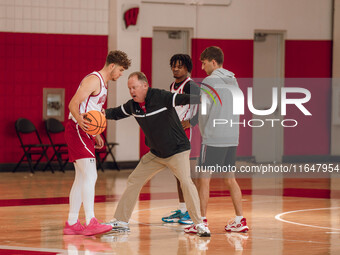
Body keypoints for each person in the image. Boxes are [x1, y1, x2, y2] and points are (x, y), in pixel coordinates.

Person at [104, 71, 210, 237]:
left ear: (145, 86)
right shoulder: (133, 106)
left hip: (177, 150)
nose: (131, 91)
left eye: (134, 87)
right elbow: (115, 113)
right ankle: (121, 221)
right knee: (134, 180)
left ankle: (200, 225)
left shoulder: (161, 97)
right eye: (129, 88)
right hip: (156, 154)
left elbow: (185, 98)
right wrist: (98, 114)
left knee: (186, 182)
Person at [63, 50, 131, 236]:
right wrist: (81, 121)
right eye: (121, 70)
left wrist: (98, 132)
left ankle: (72, 223)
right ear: (112, 66)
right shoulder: (93, 80)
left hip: (86, 132)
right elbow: (72, 104)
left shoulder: (104, 84)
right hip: (78, 129)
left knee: (81, 178)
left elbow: (93, 110)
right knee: (91, 176)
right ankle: (91, 221)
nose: (121, 74)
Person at [185, 46, 249, 234]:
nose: (203, 67)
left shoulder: (209, 81)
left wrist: (200, 128)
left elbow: (204, 110)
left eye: (204, 63)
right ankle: (240, 220)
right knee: (230, 180)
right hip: (232, 137)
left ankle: (200, 222)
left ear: (213, 62)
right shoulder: (234, 80)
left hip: (213, 138)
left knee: (203, 180)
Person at [161, 54, 201, 225]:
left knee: (188, 176)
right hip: (173, 132)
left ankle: (194, 212)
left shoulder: (191, 86)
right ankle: (183, 210)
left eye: (179, 66)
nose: (175, 69)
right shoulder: (173, 85)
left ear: (187, 68)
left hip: (187, 135)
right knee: (178, 175)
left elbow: (206, 105)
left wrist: (192, 121)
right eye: (173, 65)